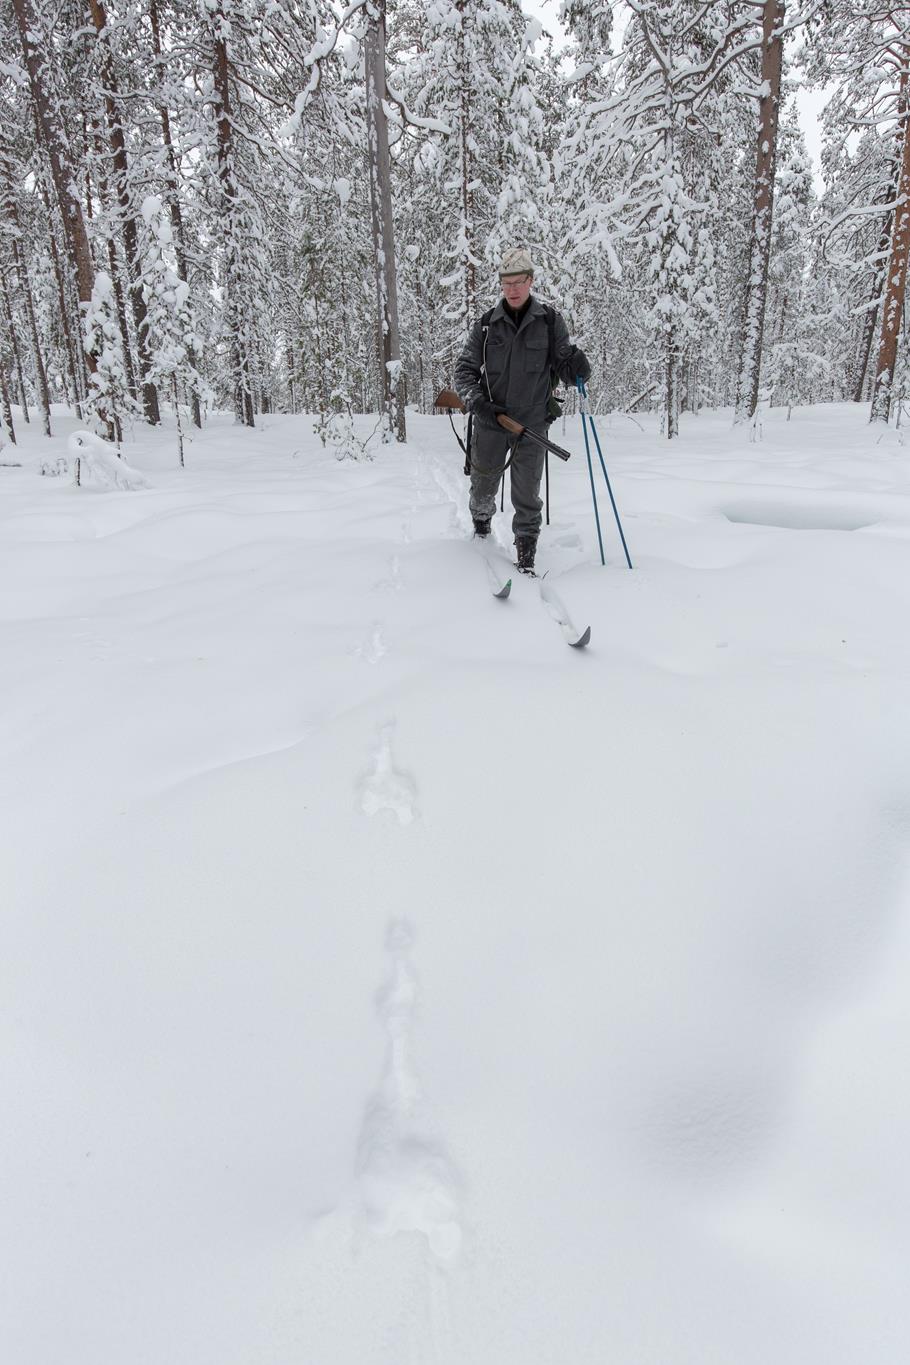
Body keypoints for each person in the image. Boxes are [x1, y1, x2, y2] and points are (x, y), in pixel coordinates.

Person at [453, 247, 590, 574]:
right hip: (491, 422)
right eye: (506, 283)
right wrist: (481, 405)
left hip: (531, 426)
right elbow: (463, 373)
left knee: (527, 495)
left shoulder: (550, 322)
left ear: (530, 282)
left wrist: (577, 369)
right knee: (483, 485)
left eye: (518, 282)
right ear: (501, 285)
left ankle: (526, 556)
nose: (512, 289)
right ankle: (482, 529)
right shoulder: (486, 325)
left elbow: (565, 364)